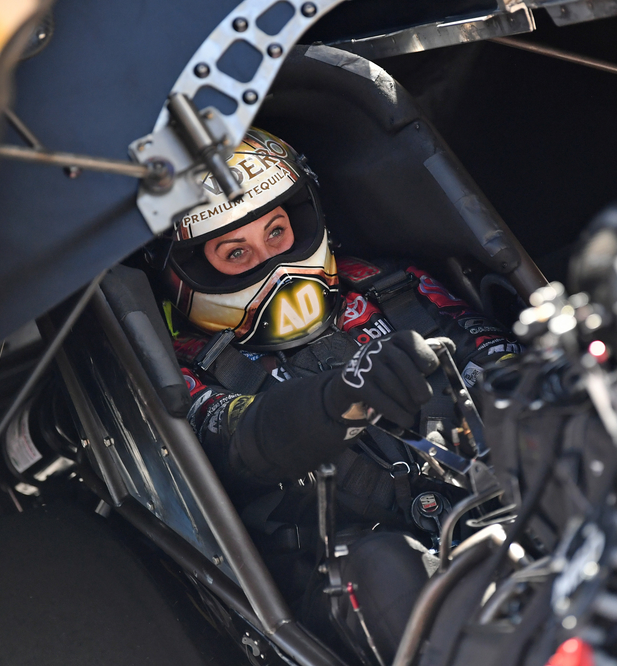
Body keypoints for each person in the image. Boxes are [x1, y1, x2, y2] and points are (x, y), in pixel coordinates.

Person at [156, 127, 518, 661]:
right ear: (188, 274)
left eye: (277, 231)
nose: (273, 262)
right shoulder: (185, 369)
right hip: (341, 571)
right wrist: (344, 396)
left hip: (493, 497)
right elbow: (240, 439)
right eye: (236, 252)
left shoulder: (388, 284)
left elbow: (502, 357)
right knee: (383, 565)